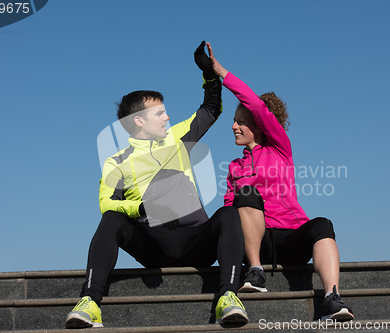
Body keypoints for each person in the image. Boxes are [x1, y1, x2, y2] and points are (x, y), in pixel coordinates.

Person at [65, 41, 248, 329]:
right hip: (153, 243)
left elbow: (211, 109)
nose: (168, 117)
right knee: (112, 219)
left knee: (228, 214)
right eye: (160, 113)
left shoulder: (178, 137)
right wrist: (141, 206)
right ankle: (89, 302)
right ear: (139, 120)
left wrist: (210, 76)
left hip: (195, 240)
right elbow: (106, 203)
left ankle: (228, 296)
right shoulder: (117, 161)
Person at [206, 42, 354, 321]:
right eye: (234, 121)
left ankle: (332, 298)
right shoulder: (235, 167)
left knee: (322, 224)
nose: (233, 126)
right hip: (256, 246)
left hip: (290, 234)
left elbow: (257, 107)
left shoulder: (279, 148)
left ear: (259, 126)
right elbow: (229, 210)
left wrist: (222, 72)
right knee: (244, 197)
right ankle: (256, 272)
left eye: (240, 121)